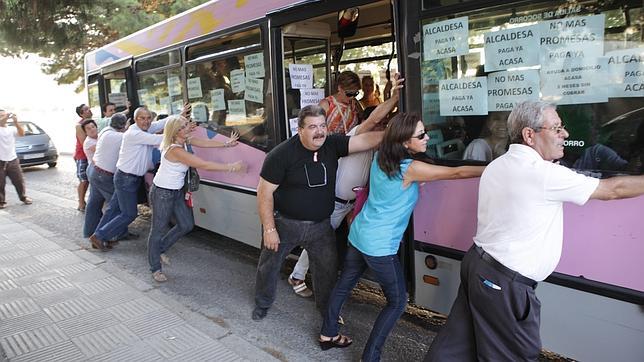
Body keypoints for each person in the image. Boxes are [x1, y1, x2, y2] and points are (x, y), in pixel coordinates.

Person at [424, 101, 644, 361]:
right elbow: (612, 190)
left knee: (457, 348)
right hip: (504, 283)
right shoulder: (543, 175)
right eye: (557, 128)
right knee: (516, 355)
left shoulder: (499, 164)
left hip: (478, 266)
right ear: (530, 135)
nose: (565, 135)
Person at [319, 113, 484, 361]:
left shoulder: (382, 158)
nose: (427, 137)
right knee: (397, 302)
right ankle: (370, 357)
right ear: (405, 142)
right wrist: (499, 166)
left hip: (360, 233)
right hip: (379, 245)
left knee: (345, 283)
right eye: (421, 135)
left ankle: (328, 333)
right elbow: (457, 173)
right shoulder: (410, 168)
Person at [252, 105, 384, 321]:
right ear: (300, 129)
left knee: (327, 272)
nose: (319, 131)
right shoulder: (281, 154)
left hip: (321, 226)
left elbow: (366, 141)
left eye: (322, 125)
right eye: (313, 127)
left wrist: (399, 132)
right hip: (286, 224)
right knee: (269, 267)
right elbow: (264, 192)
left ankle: (327, 312)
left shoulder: (331, 144)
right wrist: (269, 229)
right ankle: (262, 303)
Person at [287, 73, 405, 298]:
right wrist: (393, 99)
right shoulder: (354, 135)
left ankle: (345, 281)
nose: (382, 128)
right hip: (336, 202)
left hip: (354, 204)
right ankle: (298, 275)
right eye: (379, 124)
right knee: (318, 239)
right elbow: (370, 121)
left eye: (384, 125)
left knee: (345, 241)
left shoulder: (376, 145)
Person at [148, 115, 246, 282]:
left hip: (176, 191)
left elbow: (204, 143)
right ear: (176, 132)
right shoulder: (175, 150)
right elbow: (202, 164)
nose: (190, 126)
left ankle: (160, 249)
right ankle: (155, 267)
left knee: (186, 224)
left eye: (187, 124)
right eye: (185, 125)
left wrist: (225, 143)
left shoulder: (184, 140)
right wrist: (232, 167)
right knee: (158, 229)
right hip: (162, 192)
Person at [89, 105, 186, 251]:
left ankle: (101, 236)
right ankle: (100, 236)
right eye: (142, 118)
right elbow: (159, 139)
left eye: (148, 118)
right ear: (135, 120)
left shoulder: (143, 129)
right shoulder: (134, 133)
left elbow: (161, 123)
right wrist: (180, 132)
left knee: (113, 210)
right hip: (126, 179)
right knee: (129, 213)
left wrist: (179, 115)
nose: (146, 121)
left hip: (127, 178)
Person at [83, 114, 127, 240]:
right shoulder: (117, 136)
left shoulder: (104, 132)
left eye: (93, 127)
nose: (92, 129)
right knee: (117, 204)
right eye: (89, 128)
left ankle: (89, 231)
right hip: (102, 174)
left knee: (94, 203)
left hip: (94, 170)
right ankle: (115, 233)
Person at [0, 110, 32, 209]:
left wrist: (16, 122)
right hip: (0, 160)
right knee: (0, 183)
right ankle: (1, 202)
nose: (3, 117)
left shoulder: (11, 129)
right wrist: (6, 117)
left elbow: (22, 134)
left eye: (3, 115)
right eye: (1, 115)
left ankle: (23, 197)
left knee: (19, 180)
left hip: (12, 159)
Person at [319, 70, 362, 134]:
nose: (352, 97)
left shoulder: (354, 104)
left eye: (355, 93)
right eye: (349, 94)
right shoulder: (326, 104)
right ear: (339, 88)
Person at [74, 104, 93, 212]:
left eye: (88, 108)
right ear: (81, 114)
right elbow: (84, 143)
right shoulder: (79, 125)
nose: (88, 110)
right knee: (84, 180)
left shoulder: (92, 122)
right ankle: (81, 202)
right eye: (85, 110)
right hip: (82, 156)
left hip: (91, 155)